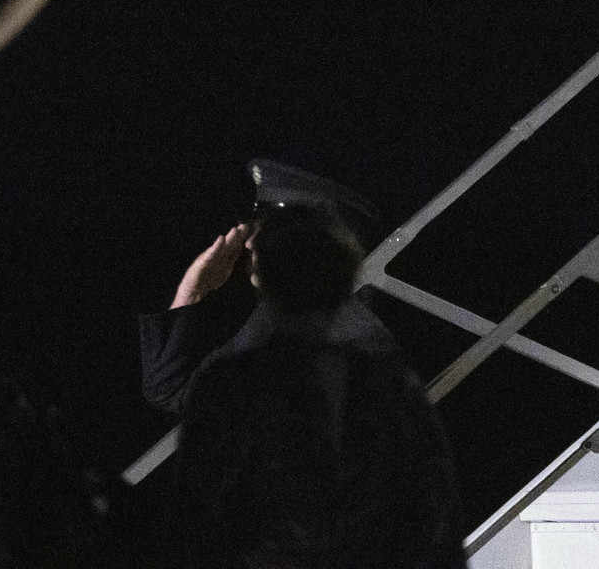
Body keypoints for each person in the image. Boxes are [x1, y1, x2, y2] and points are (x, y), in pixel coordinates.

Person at [164, 207, 460, 569]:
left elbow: (196, 521)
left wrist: (193, 292)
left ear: (267, 277)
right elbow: (431, 515)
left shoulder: (231, 383)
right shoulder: (390, 384)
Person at [143, 160, 401, 414]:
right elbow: (173, 392)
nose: (249, 243)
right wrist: (191, 292)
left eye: (271, 230)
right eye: (256, 225)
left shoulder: (345, 330)